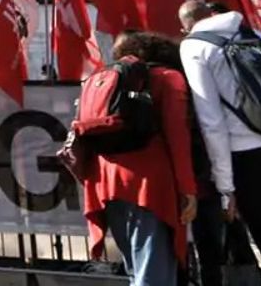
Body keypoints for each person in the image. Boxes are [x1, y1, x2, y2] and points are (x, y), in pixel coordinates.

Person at [82, 32, 196, 286]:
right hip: (150, 186)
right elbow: (178, 138)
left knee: (136, 267)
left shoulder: (102, 78)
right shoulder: (168, 78)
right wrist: (188, 189)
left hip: (105, 182)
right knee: (152, 271)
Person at [179, 0, 261, 264]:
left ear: (185, 27)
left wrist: (225, 188)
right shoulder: (255, 34)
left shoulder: (194, 46)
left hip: (245, 156)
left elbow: (212, 122)